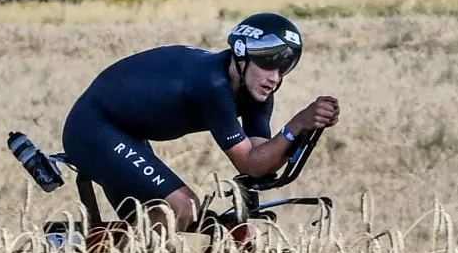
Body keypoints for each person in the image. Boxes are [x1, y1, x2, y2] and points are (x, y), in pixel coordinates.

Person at [60, 12, 340, 233]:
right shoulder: (213, 86)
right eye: (268, 64)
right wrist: (297, 124)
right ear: (241, 56)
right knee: (184, 208)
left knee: (158, 227)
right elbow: (250, 163)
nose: (274, 77)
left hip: (126, 133)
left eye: (284, 68)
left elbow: (262, 160)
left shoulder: (257, 93)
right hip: (93, 129)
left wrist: (304, 131)